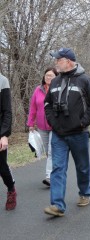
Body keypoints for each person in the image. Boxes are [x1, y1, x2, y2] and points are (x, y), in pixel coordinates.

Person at [43, 48, 90, 217]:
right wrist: (53, 123)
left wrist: (82, 123)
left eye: (58, 60)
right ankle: (57, 205)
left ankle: (84, 193)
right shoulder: (54, 82)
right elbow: (47, 106)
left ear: (68, 61)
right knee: (57, 168)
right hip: (58, 134)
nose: (55, 63)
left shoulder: (84, 80)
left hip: (79, 133)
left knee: (82, 167)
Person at [27, 67, 58, 187]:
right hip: (41, 127)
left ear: (56, 77)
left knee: (51, 151)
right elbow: (33, 108)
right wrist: (30, 124)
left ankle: (49, 177)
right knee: (48, 152)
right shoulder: (38, 90)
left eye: (51, 75)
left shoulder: (58, 89)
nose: (48, 77)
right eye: (47, 75)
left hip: (55, 126)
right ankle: (56, 171)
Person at [0, 73, 16, 210]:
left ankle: (11, 189)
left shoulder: (2, 80)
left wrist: (4, 135)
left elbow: (7, 111)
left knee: (1, 167)